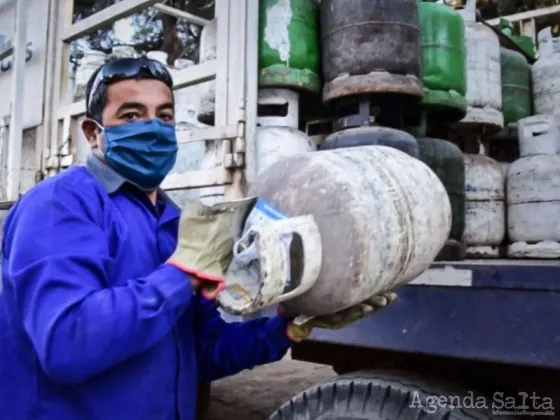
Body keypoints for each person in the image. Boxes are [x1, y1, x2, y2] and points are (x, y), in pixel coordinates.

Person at [0, 57, 396, 419]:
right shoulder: (59, 205)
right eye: (132, 115)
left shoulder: (175, 221)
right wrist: (180, 274)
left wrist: (288, 327)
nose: (153, 129)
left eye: (164, 116)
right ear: (93, 132)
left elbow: (202, 353)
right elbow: (66, 344)